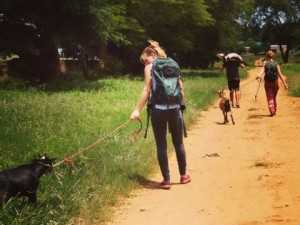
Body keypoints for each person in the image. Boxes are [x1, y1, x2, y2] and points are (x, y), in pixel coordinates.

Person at [130, 40, 191, 190]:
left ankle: (166, 180)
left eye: (144, 60)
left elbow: (147, 90)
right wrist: (179, 105)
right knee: (179, 143)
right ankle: (183, 176)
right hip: (175, 109)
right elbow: (181, 89)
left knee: (161, 145)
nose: (145, 64)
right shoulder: (173, 64)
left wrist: (137, 109)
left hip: (158, 110)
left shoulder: (150, 67)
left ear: (151, 54)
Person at [257, 50, 288, 116]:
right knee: (274, 97)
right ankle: (274, 109)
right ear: (273, 56)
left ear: (266, 56)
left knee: (270, 96)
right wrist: (285, 84)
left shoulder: (265, 63)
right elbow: (280, 74)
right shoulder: (276, 64)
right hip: (275, 82)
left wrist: (259, 75)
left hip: (268, 83)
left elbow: (262, 71)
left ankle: (272, 110)